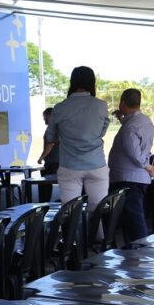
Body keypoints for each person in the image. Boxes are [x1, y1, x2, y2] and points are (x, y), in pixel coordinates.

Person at [40, 66, 110, 216]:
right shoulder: (101, 105)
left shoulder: (60, 107)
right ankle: (97, 231)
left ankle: (73, 232)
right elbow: (102, 131)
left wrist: (63, 135)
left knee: (70, 212)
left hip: (69, 165)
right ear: (92, 82)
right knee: (98, 210)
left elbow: (50, 136)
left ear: (72, 82)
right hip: (96, 164)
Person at [108, 88, 154, 242]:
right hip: (135, 178)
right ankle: (134, 249)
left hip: (128, 178)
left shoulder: (130, 127)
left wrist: (147, 166)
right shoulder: (145, 121)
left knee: (134, 219)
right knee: (131, 218)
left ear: (122, 103)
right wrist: (121, 118)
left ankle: (142, 250)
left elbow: (133, 151)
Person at [37, 107, 58, 202]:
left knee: (44, 184)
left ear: (50, 116)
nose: (43, 119)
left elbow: (50, 144)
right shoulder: (59, 128)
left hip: (53, 162)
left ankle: (43, 204)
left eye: (44, 116)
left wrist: (41, 157)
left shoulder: (52, 129)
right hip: (56, 161)